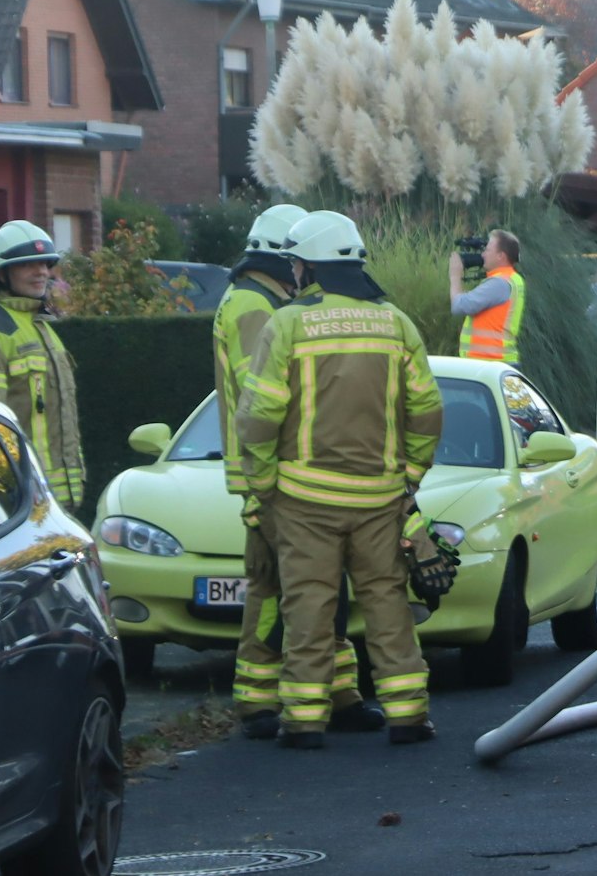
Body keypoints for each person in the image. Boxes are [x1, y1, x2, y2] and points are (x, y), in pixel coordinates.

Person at [238, 210, 443, 750]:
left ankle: (304, 721)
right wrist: (411, 478)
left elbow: (258, 415)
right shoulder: (396, 323)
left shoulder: (287, 323)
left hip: (304, 498)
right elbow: (426, 408)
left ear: (308, 266)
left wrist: (261, 486)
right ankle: (409, 714)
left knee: (308, 603)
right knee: (386, 601)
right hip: (379, 496)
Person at [215, 204, 382, 740]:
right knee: (277, 590)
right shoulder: (252, 306)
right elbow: (266, 401)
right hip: (271, 478)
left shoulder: (267, 301)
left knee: (316, 589)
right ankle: (258, 703)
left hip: (285, 476)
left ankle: (339, 694)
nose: (299, 270)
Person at [0, 221, 86, 511]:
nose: (41, 271)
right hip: (19, 498)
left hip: (61, 498)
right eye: (28, 264)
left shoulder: (44, 327)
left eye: (44, 263)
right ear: (2, 273)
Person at [449, 229, 525, 363]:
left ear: (500, 256)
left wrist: (455, 276)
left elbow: (459, 306)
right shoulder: (513, 279)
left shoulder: (499, 283)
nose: (483, 254)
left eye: (487, 250)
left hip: (489, 363)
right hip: (497, 362)